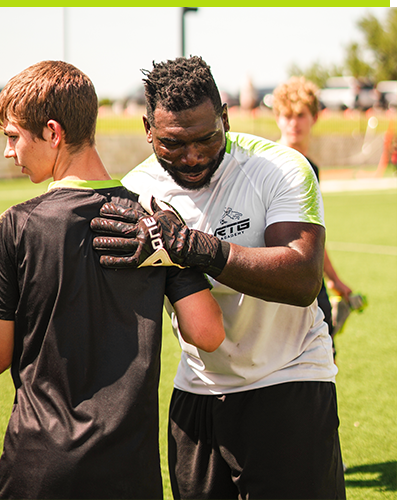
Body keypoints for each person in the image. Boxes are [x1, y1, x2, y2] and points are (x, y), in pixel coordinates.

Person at [91, 56, 346, 499]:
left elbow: (303, 278)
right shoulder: (135, 192)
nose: (192, 156)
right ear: (147, 128)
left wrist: (193, 247)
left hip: (290, 380)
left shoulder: (281, 167)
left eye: (207, 138)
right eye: (172, 143)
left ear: (225, 117)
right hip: (197, 391)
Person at [0, 60, 225, 500]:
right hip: (130, 472)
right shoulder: (156, 220)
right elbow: (208, 332)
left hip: (39, 465)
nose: (8, 151)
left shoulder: (16, 225)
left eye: (13, 137)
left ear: (53, 132)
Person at [273, 76, 353, 352]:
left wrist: (333, 278)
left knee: (324, 351)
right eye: (287, 115)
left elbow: (311, 234)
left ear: (314, 118)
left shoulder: (311, 168)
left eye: (301, 115)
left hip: (308, 277)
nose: (294, 122)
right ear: (277, 118)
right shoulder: (267, 164)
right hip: (276, 280)